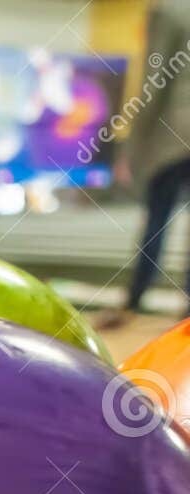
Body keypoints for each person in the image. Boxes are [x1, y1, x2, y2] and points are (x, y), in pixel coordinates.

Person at [103, 0, 190, 329]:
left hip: (173, 137)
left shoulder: (167, 10)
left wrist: (132, 148)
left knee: (157, 219)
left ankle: (134, 301)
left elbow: (155, 80)